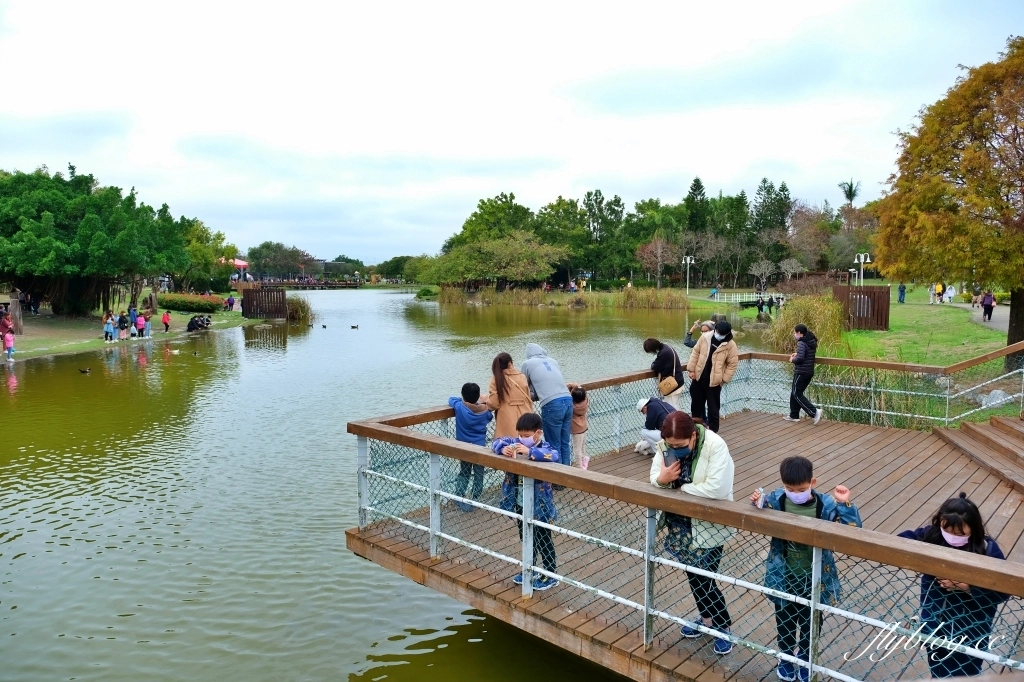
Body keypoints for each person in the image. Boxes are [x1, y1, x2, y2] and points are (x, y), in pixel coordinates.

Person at [750, 456, 862, 682]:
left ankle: (806, 657)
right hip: (784, 574)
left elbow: (854, 528)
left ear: (813, 482)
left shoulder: (826, 504)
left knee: (812, 620)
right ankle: (786, 656)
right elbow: (762, 504)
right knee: (785, 620)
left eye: (800, 489)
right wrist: (757, 500)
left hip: (816, 576)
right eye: (789, 488)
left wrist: (844, 503)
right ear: (782, 484)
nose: (794, 493)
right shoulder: (778, 498)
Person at [898, 493, 1009, 679]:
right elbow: (900, 541)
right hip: (934, 622)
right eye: (947, 530)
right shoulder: (931, 535)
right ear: (940, 522)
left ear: (973, 529)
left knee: (965, 673)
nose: (952, 537)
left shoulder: (987, 550)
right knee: (937, 668)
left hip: (969, 631)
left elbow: (1003, 592)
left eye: (960, 534)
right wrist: (928, 561)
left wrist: (967, 587)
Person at [651, 411, 735, 655]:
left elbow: (717, 488)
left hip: (709, 524)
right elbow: (654, 477)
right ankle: (706, 620)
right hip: (680, 523)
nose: (674, 449)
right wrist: (662, 478)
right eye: (670, 445)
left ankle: (723, 626)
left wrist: (681, 487)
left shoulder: (715, 445)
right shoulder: (664, 445)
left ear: (693, 438)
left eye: (679, 446)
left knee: (706, 577)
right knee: (692, 574)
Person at [492, 413, 560, 591]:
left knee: (544, 538)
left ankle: (550, 573)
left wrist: (530, 452)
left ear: (538, 433)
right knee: (526, 537)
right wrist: (502, 449)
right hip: (520, 501)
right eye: (520, 434)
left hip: (541, 504)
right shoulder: (515, 442)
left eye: (527, 435)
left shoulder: (545, 447)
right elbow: (497, 442)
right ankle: (530, 569)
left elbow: (554, 455)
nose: (522, 438)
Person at [520, 343, 573, 468]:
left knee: (553, 444)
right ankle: (568, 476)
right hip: (567, 399)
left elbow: (525, 387)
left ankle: (557, 479)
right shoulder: (553, 361)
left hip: (552, 404)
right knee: (564, 442)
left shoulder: (527, 364)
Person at [686, 320, 739, 433]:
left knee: (713, 410)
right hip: (698, 378)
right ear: (715, 330)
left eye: (722, 334)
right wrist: (691, 369)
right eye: (717, 332)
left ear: (727, 334)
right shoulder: (705, 337)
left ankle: (713, 432)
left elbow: (732, 364)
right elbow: (695, 352)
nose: (718, 335)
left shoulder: (730, 345)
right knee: (696, 406)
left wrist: (724, 380)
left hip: (714, 383)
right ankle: (695, 430)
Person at [448, 382, 493, 512]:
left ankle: (459, 495)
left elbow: (451, 399)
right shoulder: (485, 412)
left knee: (464, 472)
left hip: (464, 447)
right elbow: (489, 417)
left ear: (463, 395)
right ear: (478, 396)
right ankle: (475, 498)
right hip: (480, 447)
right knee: (479, 474)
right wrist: (484, 402)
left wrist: (462, 399)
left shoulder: (460, 407)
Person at [486, 352, 533, 439]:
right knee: (527, 443)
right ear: (510, 363)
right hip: (526, 416)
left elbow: (494, 404)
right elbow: (528, 396)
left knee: (507, 446)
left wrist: (486, 401)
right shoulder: (522, 376)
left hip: (506, 419)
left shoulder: (496, 379)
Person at [786, 324, 822, 424]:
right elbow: (806, 354)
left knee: (796, 393)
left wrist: (793, 359)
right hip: (808, 371)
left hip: (801, 372)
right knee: (795, 392)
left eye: (795, 333)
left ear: (799, 333)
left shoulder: (801, 342)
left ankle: (814, 412)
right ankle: (794, 415)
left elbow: (801, 359)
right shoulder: (810, 341)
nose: (794, 334)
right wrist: (797, 354)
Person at [644, 337, 686, 409]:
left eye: (650, 351)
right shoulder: (666, 346)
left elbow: (655, 366)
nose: (652, 353)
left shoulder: (663, 353)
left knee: (672, 409)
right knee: (674, 406)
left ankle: (676, 420)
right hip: (678, 381)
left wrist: (654, 364)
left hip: (673, 386)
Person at [568, 384, 590, 469]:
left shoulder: (572, 406)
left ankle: (579, 466)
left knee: (577, 449)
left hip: (576, 430)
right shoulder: (586, 401)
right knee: (582, 446)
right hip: (584, 426)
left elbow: (567, 396)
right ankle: (584, 460)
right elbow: (582, 391)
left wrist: (570, 387)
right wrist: (576, 387)